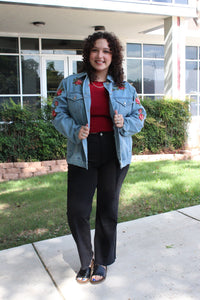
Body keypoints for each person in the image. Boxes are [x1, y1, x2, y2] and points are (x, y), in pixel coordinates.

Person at [52, 31, 146, 284]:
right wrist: (74, 129)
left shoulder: (125, 87)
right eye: (95, 50)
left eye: (106, 51)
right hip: (83, 151)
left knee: (107, 210)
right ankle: (86, 260)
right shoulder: (71, 83)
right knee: (77, 211)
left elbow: (140, 115)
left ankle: (102, 261)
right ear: (88, 53)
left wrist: (123, 123)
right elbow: (56, 112)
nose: (100, 55)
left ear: (113, 56)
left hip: (114, 153)